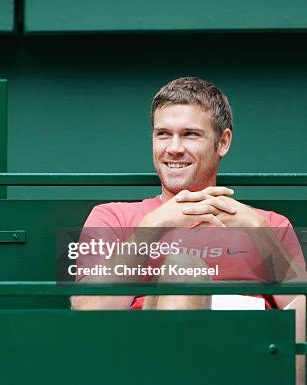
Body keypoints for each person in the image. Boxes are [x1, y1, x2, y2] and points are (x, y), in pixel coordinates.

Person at [71, 77, 306, 381]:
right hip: (153, 362)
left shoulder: (269, 223)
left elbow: (301, 311)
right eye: (163, 134)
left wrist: (258, 231)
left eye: (190, 135)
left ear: (222, 142)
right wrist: (153, 226)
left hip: (252, 360)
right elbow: (87, 310)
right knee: (184, 267)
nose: (174, 148)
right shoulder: (114, 216)